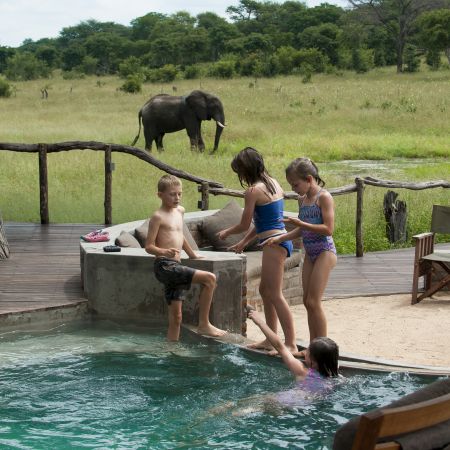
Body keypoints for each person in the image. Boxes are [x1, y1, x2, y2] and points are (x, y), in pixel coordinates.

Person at [217, 147, 297, 355]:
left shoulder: (252, 191)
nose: (239, 176)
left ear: (246, 170)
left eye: (239, 172)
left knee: (275, 294)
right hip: (276, 240)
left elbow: (244, 223)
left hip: (273, 243)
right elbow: (261, 222)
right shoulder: (273, 183)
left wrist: (228, 232)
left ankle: (291, 343)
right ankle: (271, 339)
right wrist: (244, 242)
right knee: (265, 291)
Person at [262, 158, 337, 350]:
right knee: (306, 301)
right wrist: (280, 238)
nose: (294, 188)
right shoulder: (302, 200)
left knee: (314, 301)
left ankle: (322, 350)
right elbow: (302, 231)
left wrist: (301, 224)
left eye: (296, 184)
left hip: (324, 251)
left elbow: (328, 229)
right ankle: (314, 347)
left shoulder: (324, 197)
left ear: (309, 179)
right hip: (309, 252)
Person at [145, 174, 227, 341]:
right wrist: (162, 251)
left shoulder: (180, 211)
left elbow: (180, 235)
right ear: (160, 195)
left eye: (179, 193)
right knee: (210, 279)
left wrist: (192, 254)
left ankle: (171, 352)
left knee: (176, 319)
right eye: (172, 194)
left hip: (175, 266)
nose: (177, 198)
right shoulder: (157, 217)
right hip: (164, 266)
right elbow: (148, 246)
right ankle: (204, 324)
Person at [248, 307, 339, 380]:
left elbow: (280, 346)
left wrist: (259, 322)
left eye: (307, 351)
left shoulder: (302, 371)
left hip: (294, 400)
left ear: (313, 363)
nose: (304, 352)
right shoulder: (334, 374)